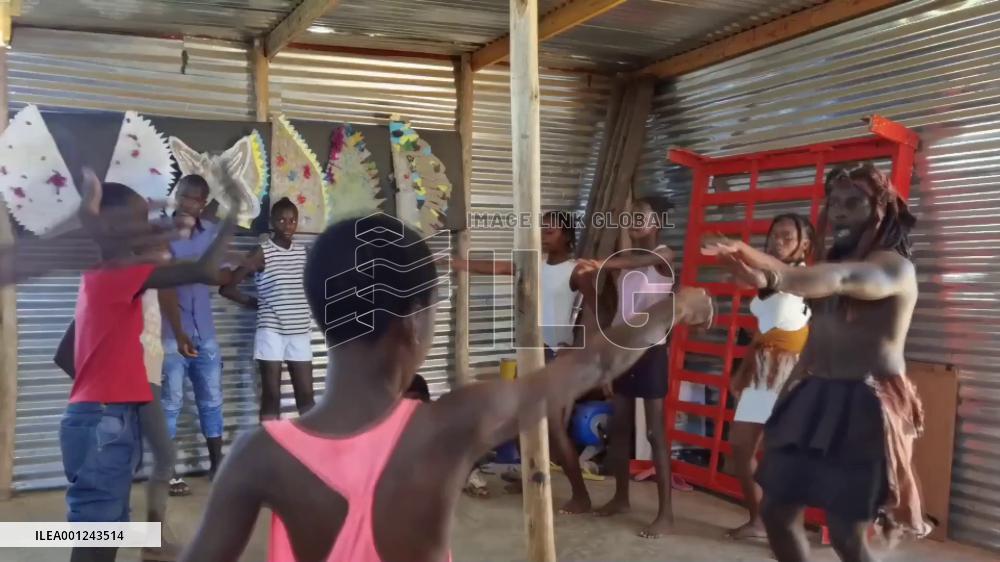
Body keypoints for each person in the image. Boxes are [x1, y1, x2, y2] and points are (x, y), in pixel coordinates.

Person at [179, 213, 714, 562]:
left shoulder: (258, 455)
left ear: (322, 315)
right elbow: (600, 362)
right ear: (414, 321)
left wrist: (115, 535)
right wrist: (680, 304)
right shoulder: (454, 424)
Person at [705, 163, 929, 562]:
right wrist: (791, 387)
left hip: (865, 402)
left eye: (854, 202)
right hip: (815, 394)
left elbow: (841, 279)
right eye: (835, 202)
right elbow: (820, 328)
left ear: (879, 210)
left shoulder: (893, 266)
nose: (840, 211)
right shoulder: (826, 266)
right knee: (776, 513)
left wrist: (767, 269)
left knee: (846, 536)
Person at [56, 169, 234, 562]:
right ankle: (150, 538)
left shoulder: (111, 271)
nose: (149, 227)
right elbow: (204, 271)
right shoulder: (119, 273)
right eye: (138, 220)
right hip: (103, 418)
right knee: (97, 536)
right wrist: (235, 211)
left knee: (107, 526)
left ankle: (150, 537)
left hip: (110, 414)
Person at [453, 210, 592, 513]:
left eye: (551, 231)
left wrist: (576, 347)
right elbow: (498, 267)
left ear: (567, 236)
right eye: (542, 229)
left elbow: (592, 312)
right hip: (532, 351)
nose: (543, 234)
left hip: (553, 355)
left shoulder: (577, 270)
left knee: (552, 429)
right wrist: (457, 264)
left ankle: (581, 496)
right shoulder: (535, 265)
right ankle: (531, 476)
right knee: (524, 422)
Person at [583, 196, 678, 539]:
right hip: (623, 351)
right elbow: (621, 312)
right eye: (632, 216)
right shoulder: (624, 263)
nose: (635, 221)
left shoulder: (664, 256)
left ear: (658, 223)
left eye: (642, 216)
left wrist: (602, 265)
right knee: (620, 429)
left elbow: (650, 259)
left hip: (651, 351)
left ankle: (665, 514)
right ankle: (621, 498)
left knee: (655, 434)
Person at [720, 214, 815, 541]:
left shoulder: (798, 276)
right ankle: (761, 521)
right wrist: (744, 371)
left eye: (787, 237)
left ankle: (788, 532)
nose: (778, 241)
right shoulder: (772, 275)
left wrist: (738, 257)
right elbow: (753, 286)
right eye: (775, 235)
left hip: (791, 374)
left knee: (783, 457)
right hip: (763, 368)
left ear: (804, 245)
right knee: (741, 448)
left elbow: (758, 279)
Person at [158, 174, 230, 496]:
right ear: (176, 195)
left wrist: (246, 267)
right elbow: (165, 284)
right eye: (185, 196)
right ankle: (168, 473)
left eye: (196, 199)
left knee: (212, 400)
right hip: (171, 333)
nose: (189, 204)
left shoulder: (211, 234)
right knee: (171, 403)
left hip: (206, 332)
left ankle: (218, 467)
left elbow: (222, 276)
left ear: (203, 204)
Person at [221, 197, 314, 421]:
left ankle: (311, 450)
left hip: (300, 332)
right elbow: (228, 288)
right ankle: (270, 450)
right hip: (271, 332)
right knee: (271, 396)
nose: (287, 225)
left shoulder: (304, 254)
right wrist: (254, 303)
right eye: (281, 220)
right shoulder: (262, 252)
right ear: (272, 222)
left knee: (307, 397)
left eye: (292, 220)